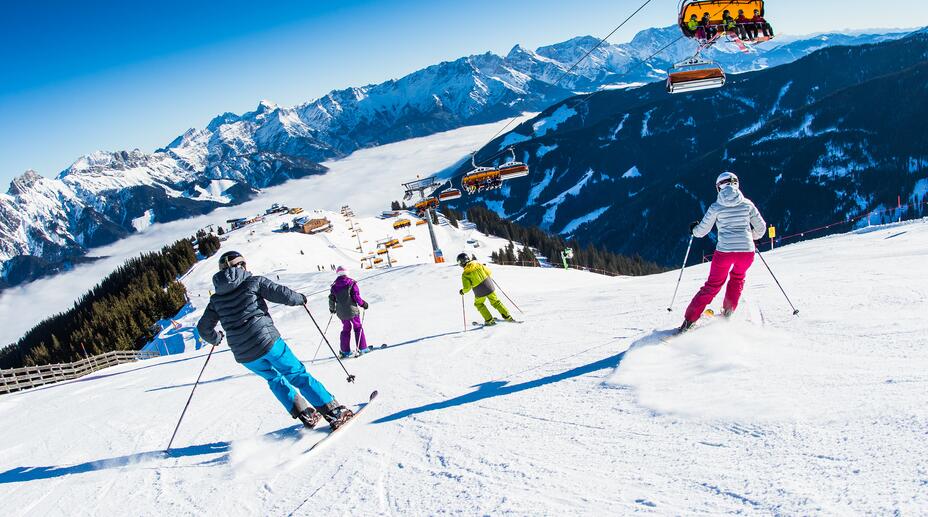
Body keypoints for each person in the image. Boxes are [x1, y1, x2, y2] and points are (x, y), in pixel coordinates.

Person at [196, 251, 352, 430]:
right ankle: (333, 412)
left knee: (274, 379)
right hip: (267, 341)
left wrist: (216, 338)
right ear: (242, 266)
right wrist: (299, 299)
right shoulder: (253, 282)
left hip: (244, 354)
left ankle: (305, 414)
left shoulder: (216, 300)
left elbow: (203, 328)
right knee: (296, 374)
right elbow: (281, 294)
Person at [680, 172, 766, 332]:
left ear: (719, 187)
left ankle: (689, 321)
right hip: (747, 252)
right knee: (737, 279)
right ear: (736, 184)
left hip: (725, 252)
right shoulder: (748, 204)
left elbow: (701, 232)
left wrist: (694, 229)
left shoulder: (716, 207)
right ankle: (727, 313)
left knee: (712, 285)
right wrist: (750, 237)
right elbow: (761, 228)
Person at [458, 253, 513, 326]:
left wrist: (462, 291)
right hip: (489, 286)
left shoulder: (465, 274)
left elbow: (467, 288)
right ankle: (507, 316)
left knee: (479, 304)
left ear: (461, 262)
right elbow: (489, 272)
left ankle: (489, 320)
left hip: (479, 290)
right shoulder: (478, 264)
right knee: (496, 302)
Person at [328, 266, 370, 358]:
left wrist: (332, 309)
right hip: (352, 311)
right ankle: (362, 347)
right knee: (357, 326)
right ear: (347, 272)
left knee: (346, 328)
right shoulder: (351, 283)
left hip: (341, 313)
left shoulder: (334, 286)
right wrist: (363, 304)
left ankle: (345, 351)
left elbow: (331, 298)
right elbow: (356, 296)